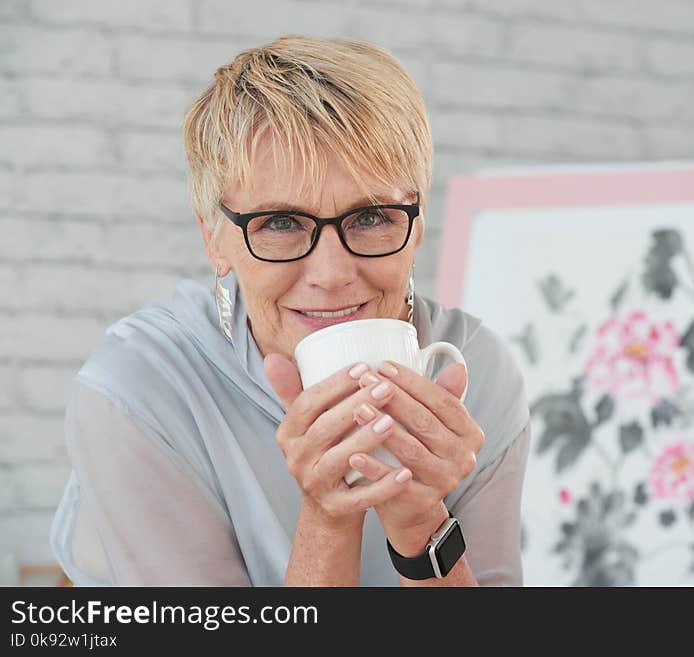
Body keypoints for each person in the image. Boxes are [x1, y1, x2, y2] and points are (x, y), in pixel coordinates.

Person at [49, 35, 531, 586]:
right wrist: (329, 518)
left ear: (416, 227)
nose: (332, 272)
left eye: (371, 216)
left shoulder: (475, 373)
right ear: (215, 241)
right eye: (280, 223)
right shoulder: (138, 394)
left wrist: (422, 522)